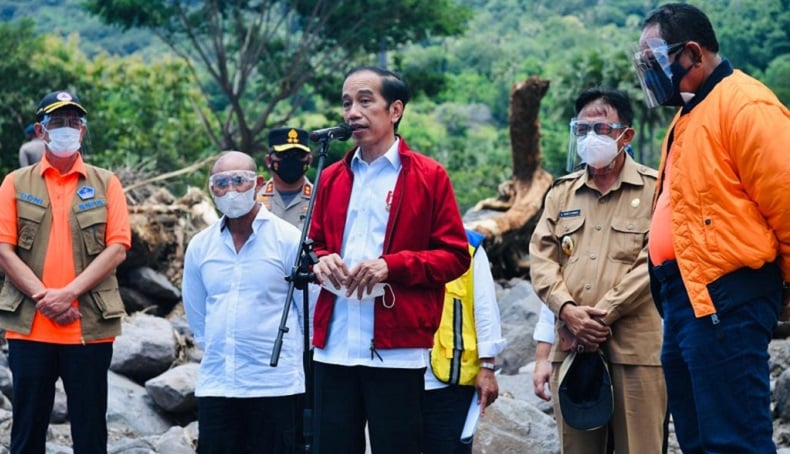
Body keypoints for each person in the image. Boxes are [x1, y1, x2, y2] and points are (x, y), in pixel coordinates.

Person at [634, 4, 790, 452]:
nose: (651, 72)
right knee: (698, 438)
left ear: (693, 53)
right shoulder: (687, 116)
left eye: (655, 60)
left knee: (734, 438)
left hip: (727, 295)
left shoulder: (745, 103)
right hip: (686, 299)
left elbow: (784, 197)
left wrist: (784, 285)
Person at [308, 66, 470, 454]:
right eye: (347, 103)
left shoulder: (429, 176)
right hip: (334, 345)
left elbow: (454, 256)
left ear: (395, 110)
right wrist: (322, 259)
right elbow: (312, 243)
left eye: (365, 101)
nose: (352, 113)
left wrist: (391, 265)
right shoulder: (331, 176)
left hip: (396, 349)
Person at [529, 87, 666, 454]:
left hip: (635, 350)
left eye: (601, 129)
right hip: (572, 348)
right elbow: (542, 260)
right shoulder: (562, 193)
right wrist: (568, 312)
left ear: (626, 135)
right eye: (582, 129)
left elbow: (655, 259)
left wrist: (599, 317)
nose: (590, 138)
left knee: (641, 447)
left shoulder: (656, 189)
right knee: (576, 447)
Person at [0, 90, 131, 453]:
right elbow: (3, 250)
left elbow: (117, 247)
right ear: (41, 131)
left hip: (88, 328)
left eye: (74, 122)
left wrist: (67, 294)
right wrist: (47, 299)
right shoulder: (15, 182)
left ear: (83, 132)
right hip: (29, 327)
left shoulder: (106, 183)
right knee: (27, 431)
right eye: (58, 122)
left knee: (90, 433)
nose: (67, 129)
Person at [182, 151, 307, 454]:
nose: (230, 190)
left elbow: (308, 312)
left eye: (239, 180)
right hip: (219, 384)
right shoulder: (201, 246)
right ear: (211, 189)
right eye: (221, 183)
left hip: (274, 386)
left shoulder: (288, 240)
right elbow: (198, 315)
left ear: (259, 183)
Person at [422, 228, 507, 453]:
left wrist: (487, 367)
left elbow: (485, 308)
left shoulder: (468, 244)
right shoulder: (394, 235)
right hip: (398, 374)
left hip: (450, 379)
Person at [257, 127, 314, 231]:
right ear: (268, 160)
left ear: (309, 161)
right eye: (282, 155)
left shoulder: (320, 199)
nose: (291, 160)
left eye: (299, 155)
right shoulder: (254, 200)